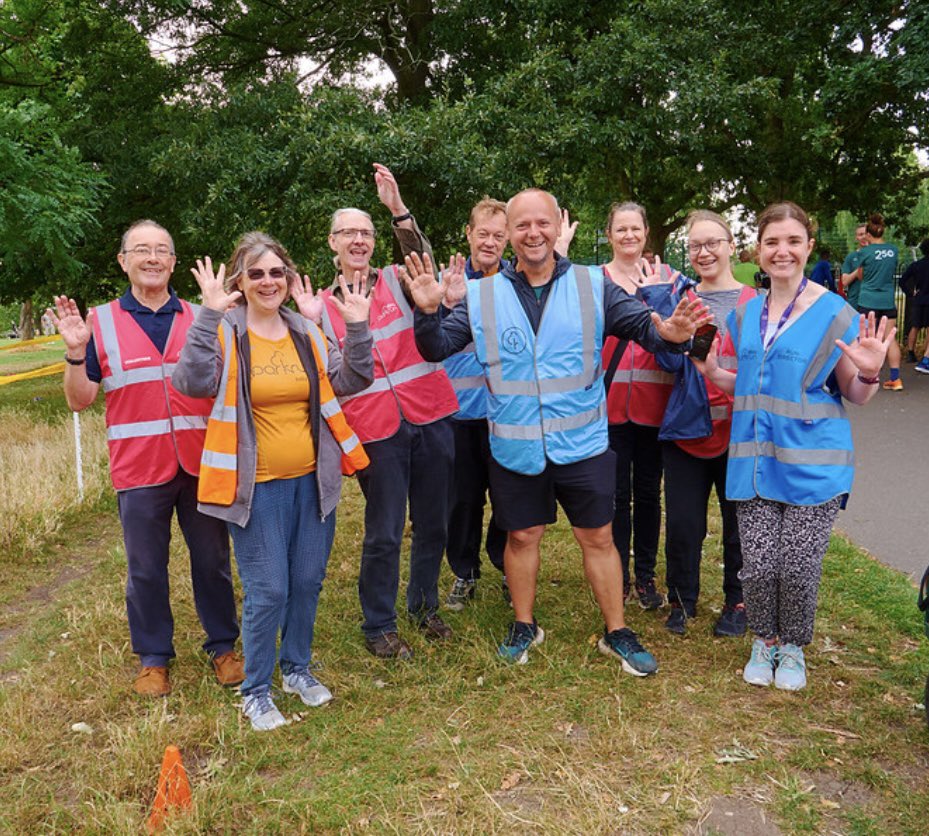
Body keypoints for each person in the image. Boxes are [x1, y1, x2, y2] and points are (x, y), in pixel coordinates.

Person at [407, 188, 710, 675]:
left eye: (541, 223)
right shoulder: (483, 295)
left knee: (598, 536)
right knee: (522, 535)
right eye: (521, 225)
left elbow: (643, 327)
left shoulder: (594, 285)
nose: (532, 233)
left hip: (584, 443)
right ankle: (524, 624)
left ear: (557, 226)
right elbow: (436, 347)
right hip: (515, 445)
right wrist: (426, 313)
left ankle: (617, 631)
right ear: (509, 234)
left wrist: (669, 334)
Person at [173, 232, 373, 730]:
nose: (268, 282)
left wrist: (357, 327)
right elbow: (191, 384)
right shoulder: (225, 329)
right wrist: (208, 315)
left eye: (276, 272)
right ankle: (256, 690)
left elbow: (351, 381)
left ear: (287, 278)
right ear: (239, 280)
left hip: (313, 480)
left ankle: (296, 669)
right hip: (254, 488)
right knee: (270, 590)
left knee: (307, 582)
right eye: (256, 273)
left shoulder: (304, 330)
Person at [693, 201, 894, 691]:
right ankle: (765, 639)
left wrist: (870, 369)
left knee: (798, 567)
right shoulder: (743, 317)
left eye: (792, 241)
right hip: (755, 462)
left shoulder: (835, 313)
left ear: (808, 246)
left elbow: (857, 394)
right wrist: (712, 372)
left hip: (813, 466)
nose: (782, 251)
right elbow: (744, 382)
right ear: (758, 251)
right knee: (758, 566)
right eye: (772, 242)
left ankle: (793, 648)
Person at [47, 220, 243, 698]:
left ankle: (223, 646)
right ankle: (154, 659)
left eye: (162, 250)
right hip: (139, 469)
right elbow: (79, 400)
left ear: (174, 262)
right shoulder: (101, 323)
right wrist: (76, 354)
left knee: (213, 561)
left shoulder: (205, 316)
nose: (152, 258)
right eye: (141, 250)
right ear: (123, 261)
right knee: (146, 568)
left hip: (202, 463)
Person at [318, 163, 459, 660]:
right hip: (375, 431)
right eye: (348, 233)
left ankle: (424, 606)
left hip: (430, 415)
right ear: (332, 243)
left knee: (435, 521)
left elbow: (421, 256)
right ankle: (379, 623)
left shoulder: (400, 279)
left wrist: (397, 208)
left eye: (366, 232)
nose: (358, 240)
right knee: (383, 531)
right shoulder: (319, 307)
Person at [642, 210, 757, 638]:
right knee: (684, 524)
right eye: (695, 246)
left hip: (742, 433)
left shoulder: (756, 303)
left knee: (738, 526)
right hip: (688, 430)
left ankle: (737, 601)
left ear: (730, 245)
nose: (704, 252)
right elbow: (665, 359)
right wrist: (670, 337)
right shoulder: (682, 299)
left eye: (712, 243)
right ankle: (681, 600)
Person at [598, 202, 675, 610]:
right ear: (609, 235)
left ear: (646, 233)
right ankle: (619, 575)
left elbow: (683, 334)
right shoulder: (594, 281)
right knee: (616, 495)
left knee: (649, 493)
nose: (629, 236)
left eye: (635, 229)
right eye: (620, 229)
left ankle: (645, 575)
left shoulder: (670, 279)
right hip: (608, 407)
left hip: (654, 406)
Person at [853, 213, 902, 390]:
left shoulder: (864, 252)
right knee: (891, 339)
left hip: (868, 300)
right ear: (883, 231)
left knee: (865, 338)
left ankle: (865, 376)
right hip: (887, 300)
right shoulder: (893, 250)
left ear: (868, 234)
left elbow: (860, 275)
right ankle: (896, 379)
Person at [901, 239, 929, 371]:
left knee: (915, 326)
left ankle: (911, 353)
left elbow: (902, 281)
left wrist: (910, 293)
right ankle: (926, 355)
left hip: (918, 299)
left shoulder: (916, 265)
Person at [840, 222, 868, 309]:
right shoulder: (851, 257)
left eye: (866, 234)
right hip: (855, 303)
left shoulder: (877, 256)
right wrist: (857, 271)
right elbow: (844, 281)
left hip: (873, 303)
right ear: (856, 238)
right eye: (860, 234)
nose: (864, 237)